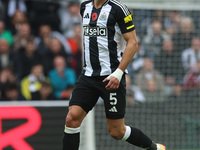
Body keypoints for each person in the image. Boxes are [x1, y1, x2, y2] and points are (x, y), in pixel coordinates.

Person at [62, 0, 166, 150]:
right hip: (88, 76)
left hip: (112, 78)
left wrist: (118, 73)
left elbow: (133, 43)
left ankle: (154, 148)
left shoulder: (119, 9)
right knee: (72, 118)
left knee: (117, 131)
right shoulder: (85, 7)